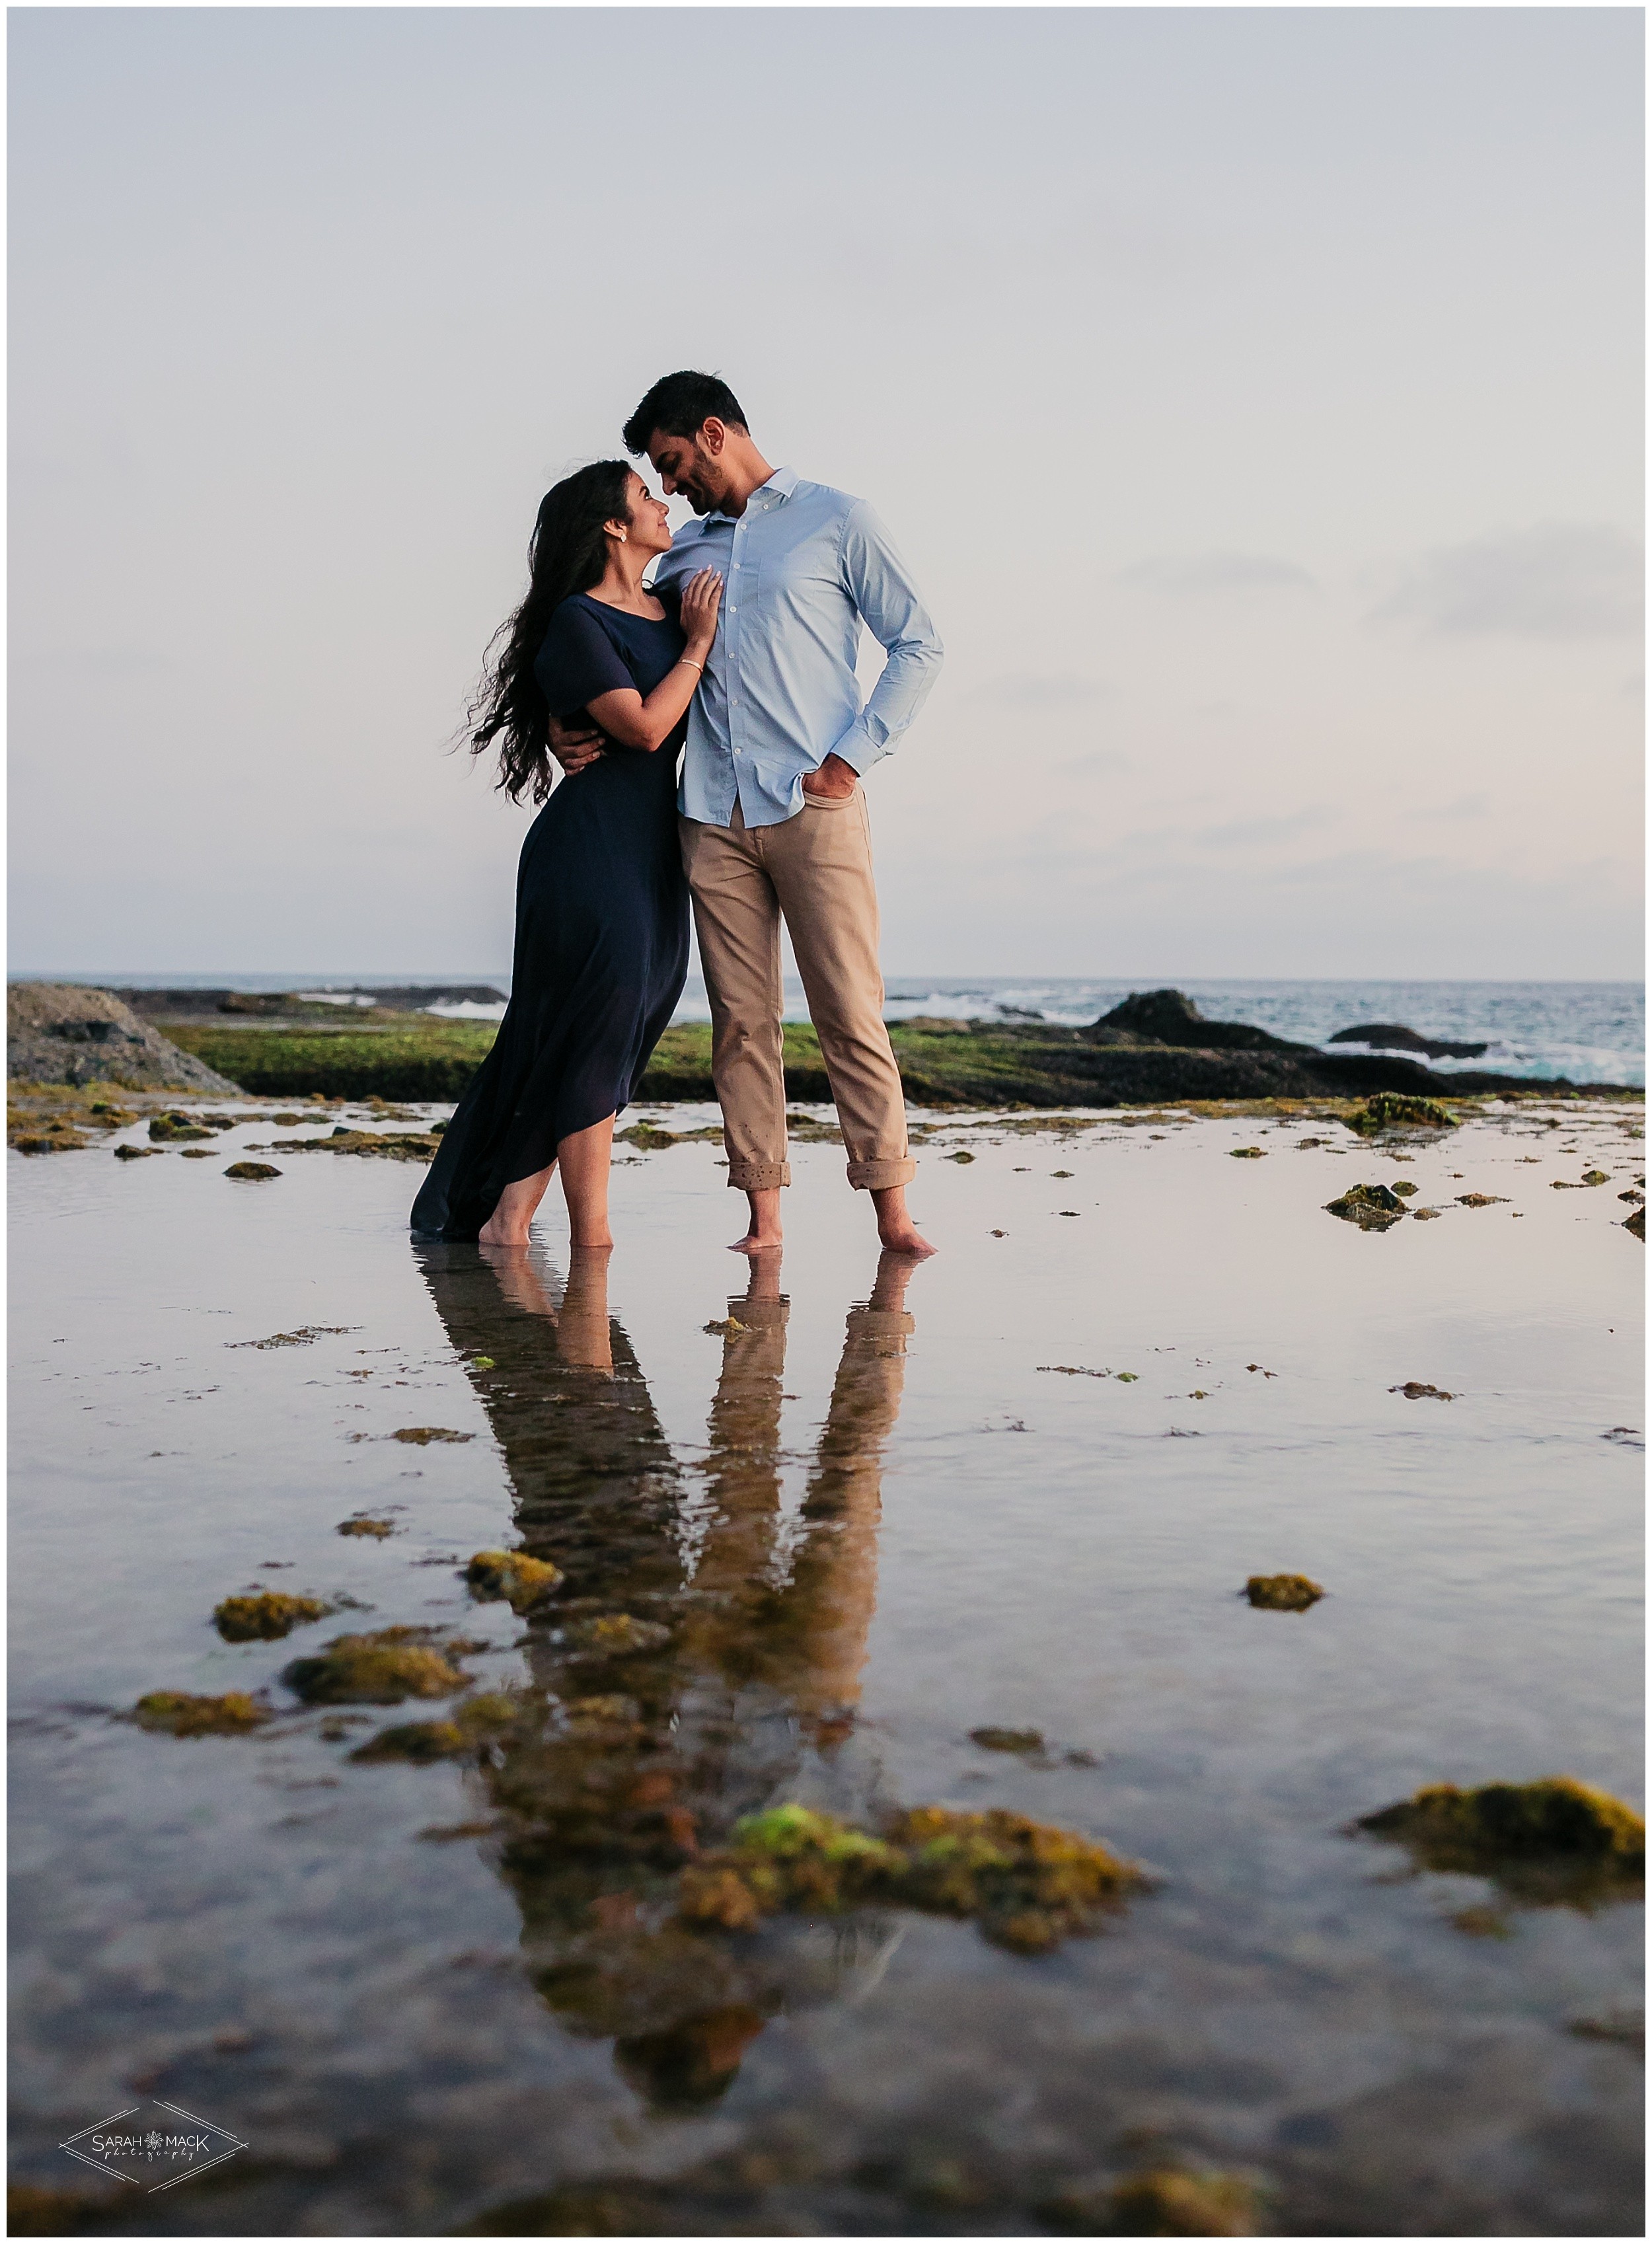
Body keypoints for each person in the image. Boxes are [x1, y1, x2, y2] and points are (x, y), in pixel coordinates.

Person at [548, 373, 944, 1257]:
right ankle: (763, 1223)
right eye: (658, 471)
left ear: (716, 432)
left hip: (815, 805)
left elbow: (920, 642)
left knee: (849, 1009)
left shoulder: (840, 520)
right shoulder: (683, 552)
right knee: (741, 1023)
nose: (672, 482)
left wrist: (855, 754)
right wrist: (556, 718)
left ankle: (894, 1216)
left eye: (674, 461)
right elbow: (593, 628)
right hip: (709, 816)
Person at [410, 459, 722, 1245]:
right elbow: (646, 729)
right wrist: (698, 647)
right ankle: (593, 1241)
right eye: (646, 496)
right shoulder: (580, 622)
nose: (662, 503)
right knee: (594, 1030)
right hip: (587, 858)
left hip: (654, 857)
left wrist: (691, 637)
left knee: (618, 1028)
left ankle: (506, 1221)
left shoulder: (667, 605)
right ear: (612, 526)